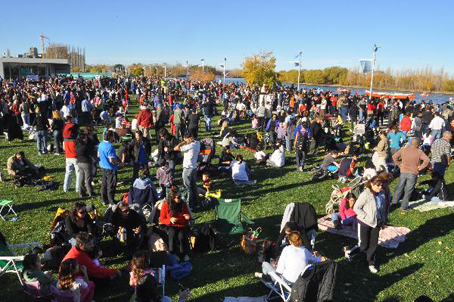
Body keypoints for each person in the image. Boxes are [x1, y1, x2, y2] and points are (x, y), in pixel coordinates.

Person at [346, 176, 386, 274]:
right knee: (363, 245)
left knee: (373, 245)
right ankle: (349, 251)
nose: (381, 187)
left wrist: (383, 220)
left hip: (376, 223)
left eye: (381, 185)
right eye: (378, 185)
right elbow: (356, 208)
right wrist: (366, 217)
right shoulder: (365, 194)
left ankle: (371, 263)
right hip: (364, 222)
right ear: (372, 184)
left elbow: (382, 209)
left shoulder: (382, 194)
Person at [392, 138, 430, 210]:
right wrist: (420, 167)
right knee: (409, 190)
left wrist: (399, 164)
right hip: (413, 172)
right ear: (417, 144)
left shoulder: (403, 149)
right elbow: (427, 160)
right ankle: (404, 206)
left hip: (403, 171)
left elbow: (394, 157)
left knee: (399, 187)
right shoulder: (419, 151)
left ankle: (394, 203)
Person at [159, 189, 191, 261]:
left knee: (181, 235)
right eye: (178, 197)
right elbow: (161, 220)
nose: (180, 198)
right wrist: (170, 220)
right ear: (172, 198)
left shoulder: (182, 204)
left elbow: (188, 215)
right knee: (172, 232)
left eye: (180, 196)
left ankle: (183, 253)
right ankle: (172, 252)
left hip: (182, 225)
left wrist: (188, 217)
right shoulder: (166, 205)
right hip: (171, 225)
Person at [174, 134, 200, 209]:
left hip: (187, 168)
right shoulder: (197, 143)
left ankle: (189, 204)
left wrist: (182, 142)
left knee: (187, 187)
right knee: (194, 186)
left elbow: (176, 148)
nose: (186, 140)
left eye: (186, 139)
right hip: (194, 167)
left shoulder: (189, 146)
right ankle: (197, 202)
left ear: (189, 139)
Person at [98, 130, 120, 205]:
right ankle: (111, 201)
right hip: (111, 168)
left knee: (104, 184)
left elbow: (98, 155)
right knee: (111, 185)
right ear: (110, 137)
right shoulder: (110, 146)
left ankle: (104, 199)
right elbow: (111, 160)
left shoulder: (100, 144)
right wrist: (119, 164)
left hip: (103, 167)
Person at [76, 133, 95, 198]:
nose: (87, 139)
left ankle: (81, 193)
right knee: (88, 179)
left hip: (79, 162)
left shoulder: (77, 145)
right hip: (86, 162)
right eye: (85, 138)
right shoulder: (86, 146)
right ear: (83, 139)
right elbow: (91, 153)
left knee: (81, 178)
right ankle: (90, 192)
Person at [63, 119, 80, 193]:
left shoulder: (65, 140)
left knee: (68, 173)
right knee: (78, 173)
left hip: (68, 157)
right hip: (75, 157)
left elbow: (64, 148)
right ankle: (78, 188)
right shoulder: (75, 141)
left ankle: (65, 187)